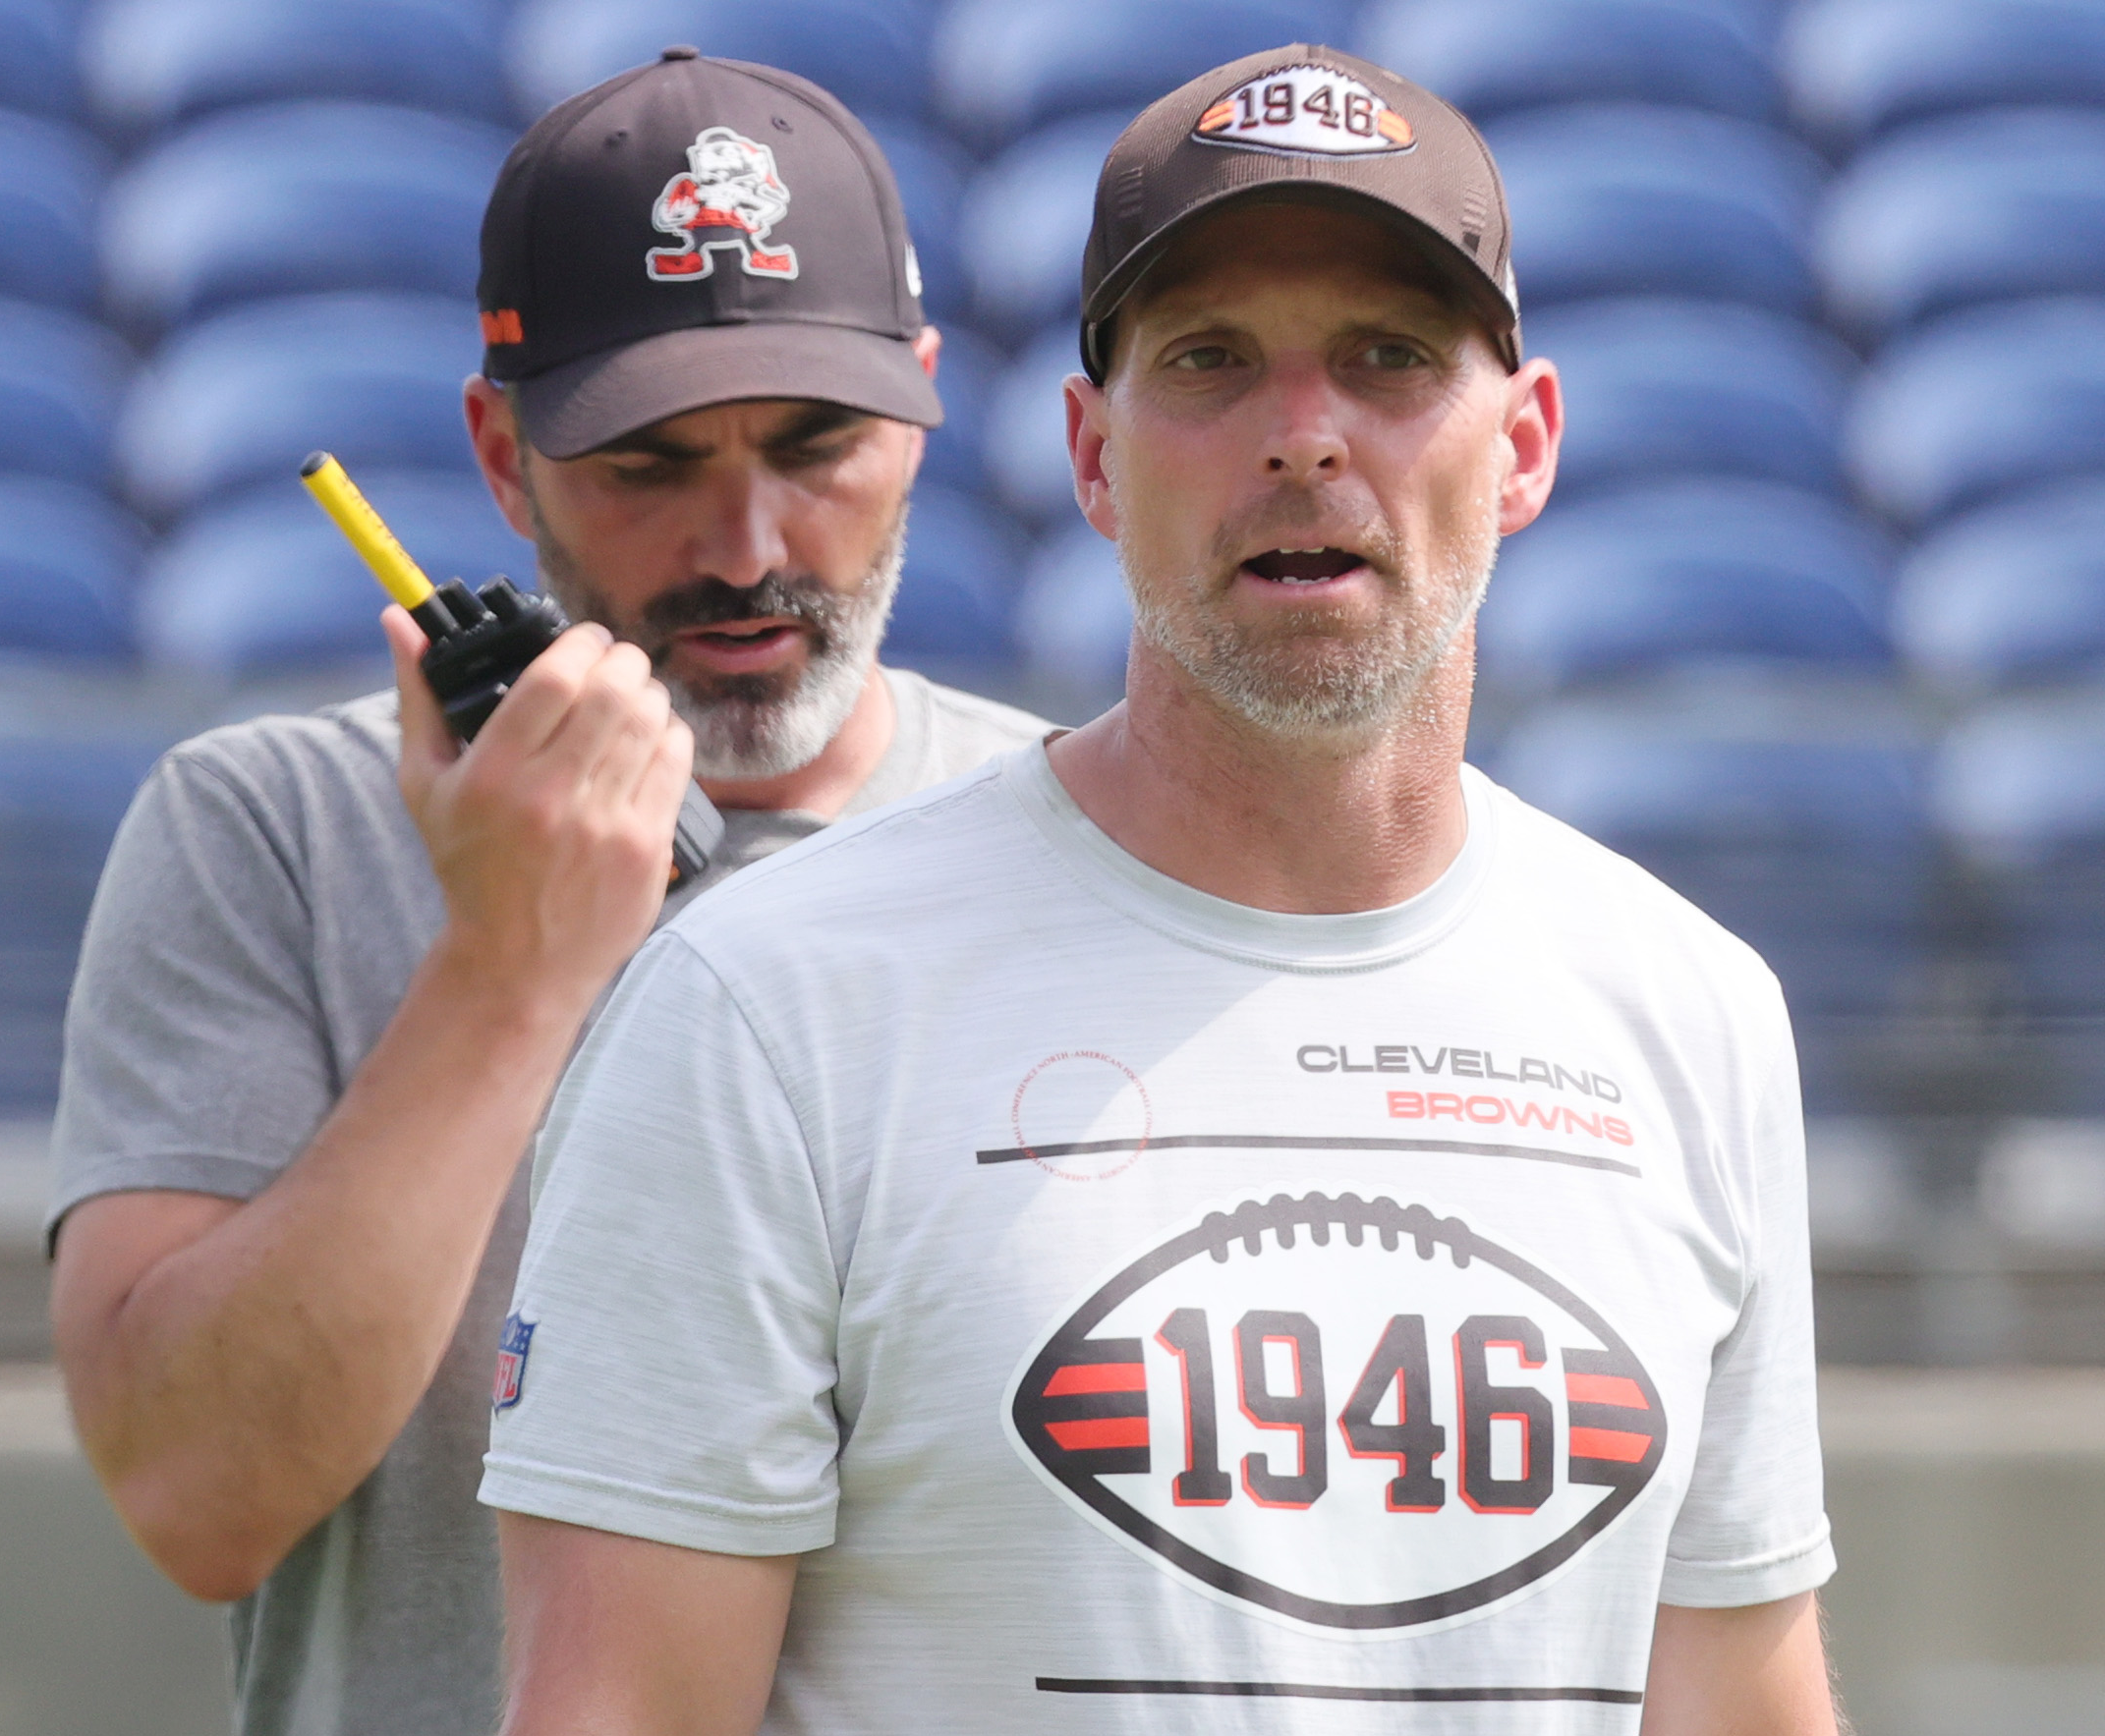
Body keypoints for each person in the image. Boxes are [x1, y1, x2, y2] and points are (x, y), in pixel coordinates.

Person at [482, 45, 1844, 1736]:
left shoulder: (1692, 1011)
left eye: (1389, 358)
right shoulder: (768, 1010)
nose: (1301, 437)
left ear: (1525, 445)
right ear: (1095, 456)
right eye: (1209, 362)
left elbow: (1735, 1700)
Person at [46, 49, 1048, 1736]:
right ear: (501, 460)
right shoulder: (269, 827)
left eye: (820, 447)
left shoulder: (1072, 841)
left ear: (924, 405)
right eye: (650, 463)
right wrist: (511, 970)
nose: (746, 542)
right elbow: (197, 1499)